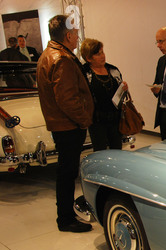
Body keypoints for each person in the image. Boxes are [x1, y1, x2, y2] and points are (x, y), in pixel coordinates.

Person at [37, 15, 94, 233]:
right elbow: (67, 99)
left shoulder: (48, 55)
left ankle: (66, 216)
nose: (78, 38)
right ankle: (66, 219)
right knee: (67, 173)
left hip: (62, 125)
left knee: (65, 172)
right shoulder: (61, 59)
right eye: (77, 34)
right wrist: (85, 120)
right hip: (68, 126)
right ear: (68, 35)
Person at [81, 38, 128, 151]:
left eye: (102, 52)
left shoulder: (113, 70)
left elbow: (120, 96)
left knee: (117, 151)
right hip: (97, 121)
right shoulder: (84, 72)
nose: (102, 56)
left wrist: (124, 89)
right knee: (100, 152)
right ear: (88, 58)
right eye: (98, 54)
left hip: (115, 119)